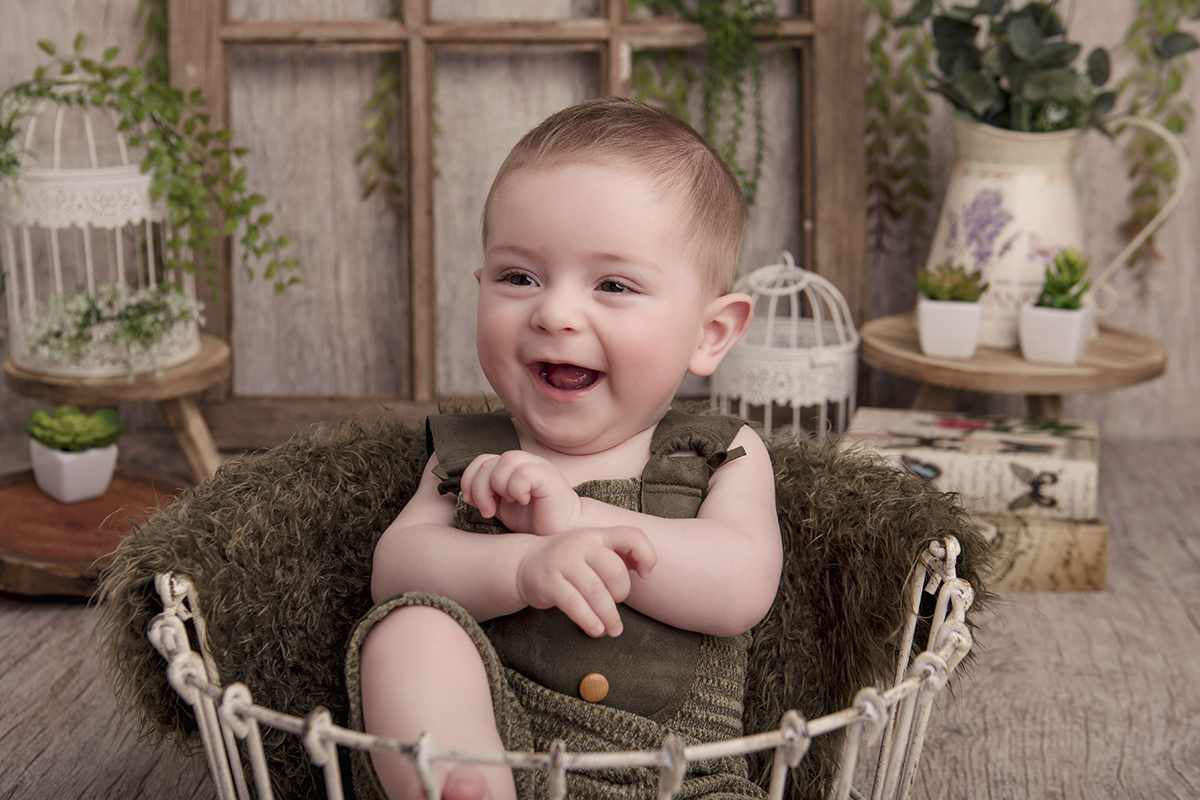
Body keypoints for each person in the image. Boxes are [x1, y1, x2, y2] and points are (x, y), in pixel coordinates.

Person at [351, 96, 783, 800]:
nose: (553, 313)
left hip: (681, 783)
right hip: (508, 756)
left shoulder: (716, 455)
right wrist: (521, 567)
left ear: (709, 335)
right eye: (518, 278)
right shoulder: (469, 454)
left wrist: (573, 520)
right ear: (480, 287)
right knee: (408, 629)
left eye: (613, 285)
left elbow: (740, 586)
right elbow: (396, 571)